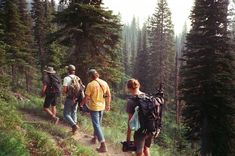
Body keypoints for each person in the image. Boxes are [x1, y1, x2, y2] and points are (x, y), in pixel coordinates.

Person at [80, 69, 111, 153]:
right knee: (98, 124)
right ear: (97, 75)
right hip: (102, 106)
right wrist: (108, 105)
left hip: (94, 107)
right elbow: (108, 95)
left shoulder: (90, 84)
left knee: (96, 125)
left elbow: (86, 98)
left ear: (90, 76)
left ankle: (103, 145)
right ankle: (94, 138)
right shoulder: (104, 83)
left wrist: (81, 104)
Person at [126, 79, 153, 156]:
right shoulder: (147, 97)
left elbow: (130, 122)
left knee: (139, 152)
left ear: (129, 88)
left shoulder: (131, 101)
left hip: (140, 130)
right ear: (138, 86)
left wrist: (128, 139)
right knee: (146, 148)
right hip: (150, 128)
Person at [63, 64, 82, 134]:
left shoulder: (66, 78)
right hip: (77, 98)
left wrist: (65, 92)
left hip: (70, 98)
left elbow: (64, 90)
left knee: (66, 114)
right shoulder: (78, 78)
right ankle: (74, 129)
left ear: (68, 70)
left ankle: (74, 126)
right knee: (74, 112)